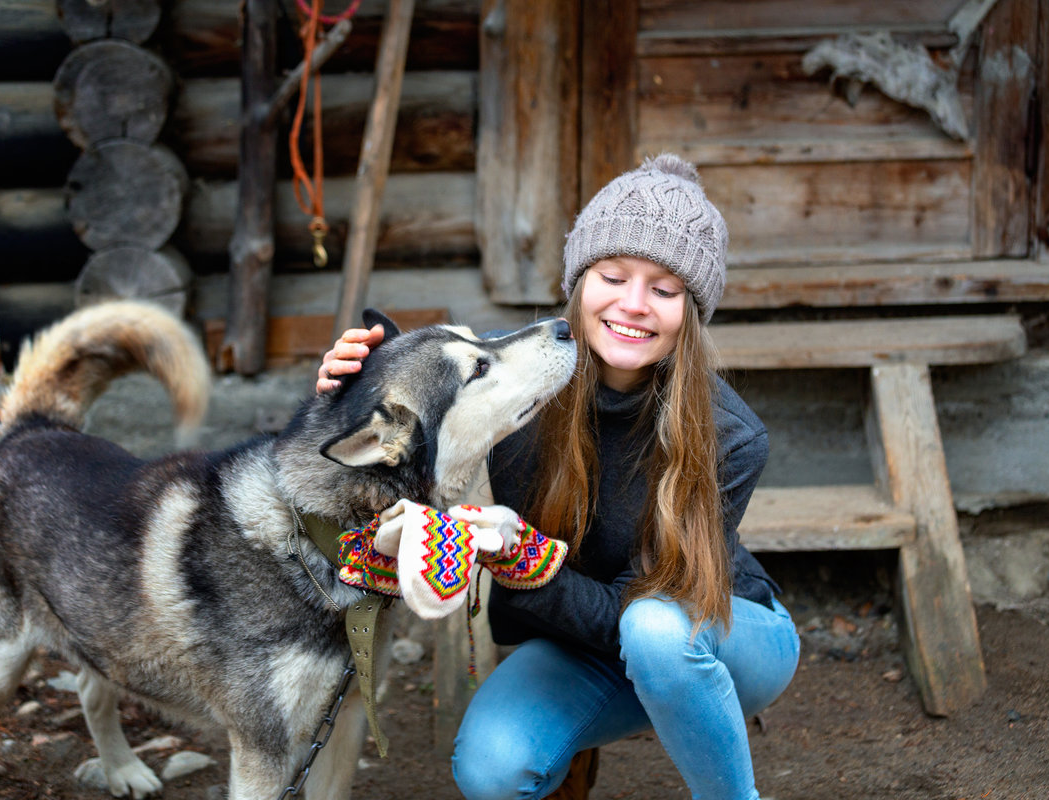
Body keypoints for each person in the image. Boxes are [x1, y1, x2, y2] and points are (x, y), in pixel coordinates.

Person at [317, 153, 800, 800]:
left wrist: (521, 558)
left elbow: (637, 609)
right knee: (491, 768)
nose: (633, 304)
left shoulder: (731, 436)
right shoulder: (512, 381)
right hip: (584, 641)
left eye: (664, 288)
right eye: (612, 275)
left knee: (653, 632)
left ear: (692, 309)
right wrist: (352, 385)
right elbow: (423, 391)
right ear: (580, 279)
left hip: (720, 634)